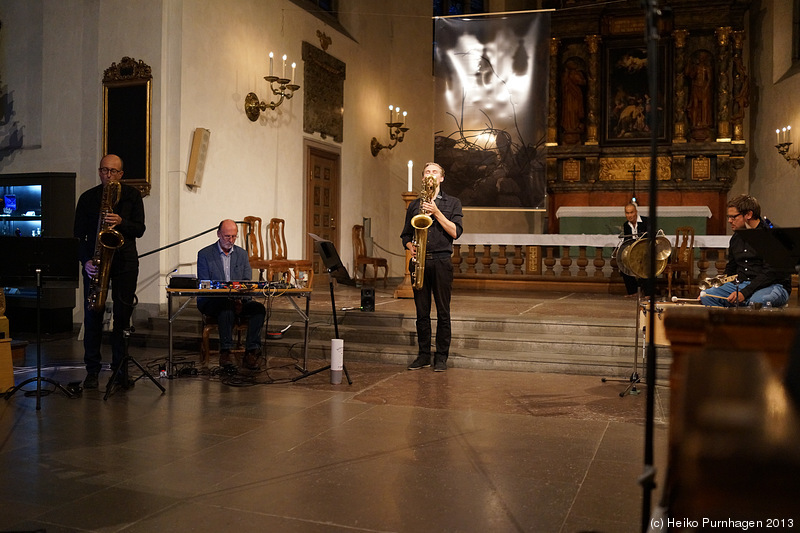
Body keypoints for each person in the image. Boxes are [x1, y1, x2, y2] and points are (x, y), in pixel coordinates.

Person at [74, 154, 146, 390]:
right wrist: (85, 260)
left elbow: (140, 229)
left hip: (125, 261)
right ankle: (92, 371)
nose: (108, 175)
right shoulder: (87, 198)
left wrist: (121, 221)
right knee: (93, 314)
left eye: (113, 171)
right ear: (99, 172)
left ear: (121, 174)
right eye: (104, 170)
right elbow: (79, 236)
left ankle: (120, 370)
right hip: (96, 261)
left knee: (122, 319)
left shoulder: (133, 196)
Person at [401, 162, 463, 372]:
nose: (431, 174)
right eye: (427, 172)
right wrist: (411, 247)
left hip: (442, 261)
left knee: (443, 312)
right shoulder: (414, 205)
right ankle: (423, 355)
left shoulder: (453, 203)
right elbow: (405, 235)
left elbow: (455, 232)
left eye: (435, 171)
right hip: (420, 261)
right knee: (421, 312)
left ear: (441, 178)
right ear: (423, 178)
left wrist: (436, 212)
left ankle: (441, 357)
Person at [699, 194, 791, 308]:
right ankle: (729, 324)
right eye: (729, 217)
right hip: (742, 284)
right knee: (706, 296)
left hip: (773, 285)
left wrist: (744, 293)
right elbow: (731, 268)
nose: (729, 220)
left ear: (749, 214)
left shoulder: (771, 235)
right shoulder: (736, 238)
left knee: (756, 301)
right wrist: (713, 289)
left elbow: (770, 273)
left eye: (733, 217)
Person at [197, 219, 266, 370]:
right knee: (226, 306)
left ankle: (251, 352)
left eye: (234, 236)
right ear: (218, 234)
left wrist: (241, 300)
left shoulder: (241, 254)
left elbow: (247, 282)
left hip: (239, 300)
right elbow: (204, 285)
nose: (231, 240)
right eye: (227, 236)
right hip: (213, 301)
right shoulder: (205, 254)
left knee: (258, 309)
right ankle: (226, 352)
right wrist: (231, 299)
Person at [620, 202, 647, 297]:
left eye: (631, 212)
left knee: (647, 264)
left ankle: (648, 292)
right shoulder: (626, 225)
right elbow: (626, 240)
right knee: (623, 266)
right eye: (627, 213)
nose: (629, 215)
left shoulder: (646, 221)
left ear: (636, 212)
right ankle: (633, 292)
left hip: (645, 251)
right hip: (633, 253)